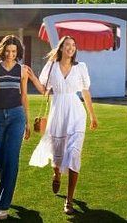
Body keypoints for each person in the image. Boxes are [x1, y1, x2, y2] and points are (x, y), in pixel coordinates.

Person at [28, 36, 98, 215]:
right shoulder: (51, 66)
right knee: (57, 155)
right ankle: (56, 174)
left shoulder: (80, 67)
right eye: (67, 45)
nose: (71, 48)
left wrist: (92, 116)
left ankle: (69, 199)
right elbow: (44, 90)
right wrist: (32, 77)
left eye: (73, 45)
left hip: (76, 114)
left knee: (74, 154)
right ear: (61, 48)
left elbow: (85, 91)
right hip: (57, 113)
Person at [0, 35, 32, 221]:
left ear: (18, 52)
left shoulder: (22, 71)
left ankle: (2, 206)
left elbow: (24, 97)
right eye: (8, 51)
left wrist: (27, 121)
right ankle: (6, 187)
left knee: (11, 159)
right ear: (2, 50)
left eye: (14, 51)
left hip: (16, 117)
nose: (11, 54)